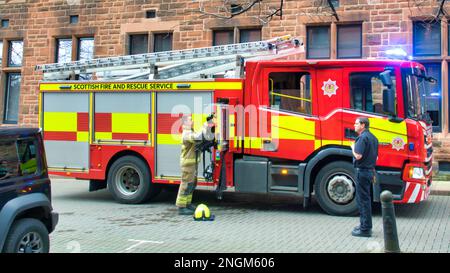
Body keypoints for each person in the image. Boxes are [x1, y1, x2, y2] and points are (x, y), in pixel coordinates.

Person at [176, 114, 215, 215]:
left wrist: (209, 124)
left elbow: (201, 137)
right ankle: (181, 207)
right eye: (190, 120)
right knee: (186, 185)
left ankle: (187, 203)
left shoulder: (191, 132)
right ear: (185, 123)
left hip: (192, 163)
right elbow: (198, 137)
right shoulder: (186, 134)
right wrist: (206, 124)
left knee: (192, 184)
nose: (192, 121)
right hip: (188, 164)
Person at [350, 117, 378, 237]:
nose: (354, 125)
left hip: (362, 172)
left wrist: (352, 147)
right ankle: (364, 225)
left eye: (356, 123)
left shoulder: (362, 138)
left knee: (362, 201)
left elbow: (358, 156)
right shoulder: (373, 138)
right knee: (365, 200)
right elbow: (376, 157)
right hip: (370, 171)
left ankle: (365, 229)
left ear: (363, 125)